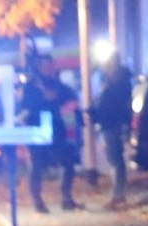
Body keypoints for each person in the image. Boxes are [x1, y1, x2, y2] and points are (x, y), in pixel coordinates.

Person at [21, 57, 80, 213]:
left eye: (51, 65)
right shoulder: (32, 87)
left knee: (68, 163)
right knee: (36, 165)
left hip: (58, 130)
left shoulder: (59, 86)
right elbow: (26, 108)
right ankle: (37, 200)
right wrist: (43, 100)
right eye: (46, 66)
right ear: (40, 67)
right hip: (37, 131)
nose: (50, 68)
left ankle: (67, 198)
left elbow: (71, 101)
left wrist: (72, 107)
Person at [92, 52, 134, 207]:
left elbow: (112, 105)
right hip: (111, 123)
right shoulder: (119, 81)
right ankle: (118, 194)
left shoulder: (117, 83)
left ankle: (118, 195)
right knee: (116, 159)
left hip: (111, 124)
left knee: (115, 159)